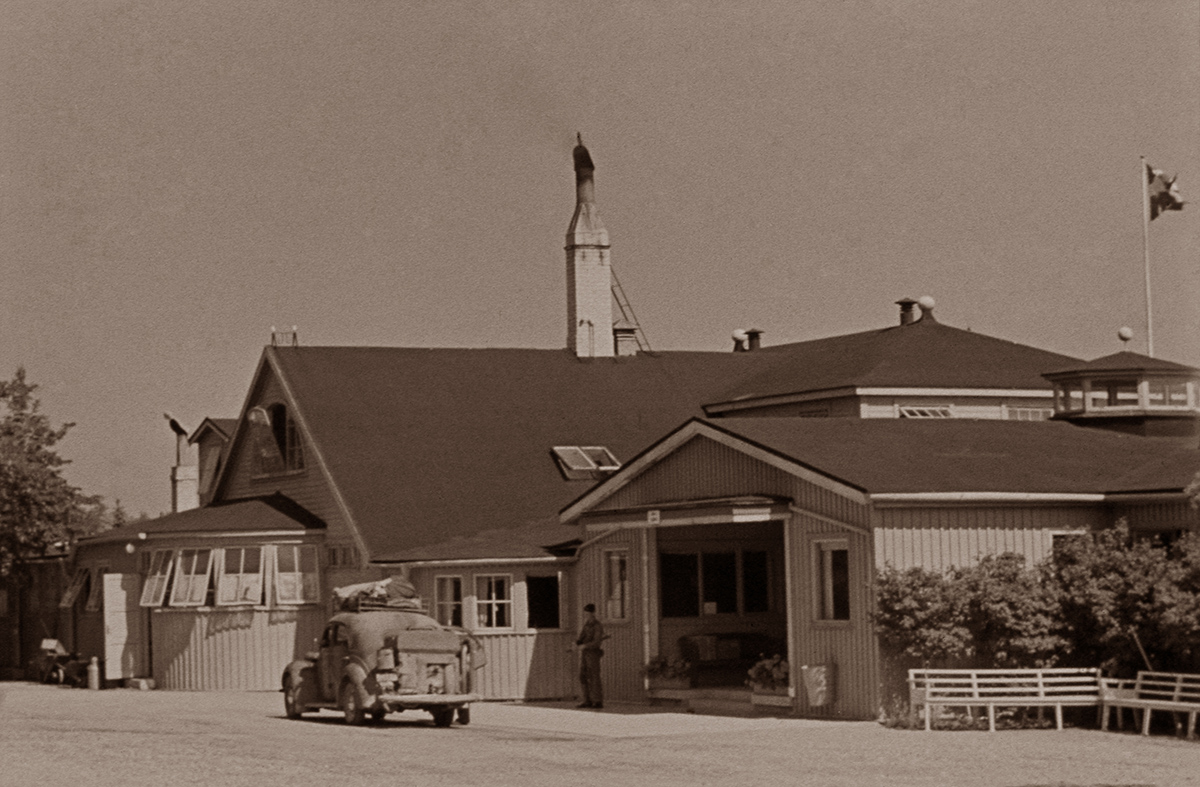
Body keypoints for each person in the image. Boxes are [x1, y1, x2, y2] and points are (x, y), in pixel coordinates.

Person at [575, 603, 606, 709]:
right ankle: (586, 700)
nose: (587, 615)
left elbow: (597, 642)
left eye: (588, 613)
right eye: (585, 613)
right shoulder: (587, 624)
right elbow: (581, 636)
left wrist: (586, 645)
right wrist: (578, 642)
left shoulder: (597, 626)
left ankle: (597, 701)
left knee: (594, 676)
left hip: (593, 653)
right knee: (583, 676)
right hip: (585, 653)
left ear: (593, 613)